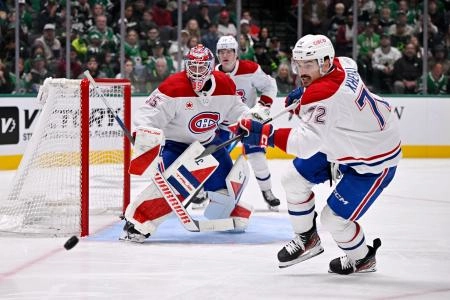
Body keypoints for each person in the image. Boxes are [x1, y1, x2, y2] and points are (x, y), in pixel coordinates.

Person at [236, 34, 402, 274]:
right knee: (292, 180)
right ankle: (307, 239)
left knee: (333, 220)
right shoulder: (342, 64)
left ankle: (362, 258)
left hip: (373, 159)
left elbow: (304, 144)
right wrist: (305, 93)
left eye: (309, 64)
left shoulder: (324, 93)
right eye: (299, 64)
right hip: (349, 140)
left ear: (325, 62)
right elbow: (344, 71)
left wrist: (265, 134)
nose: (302, 70)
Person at [120, 44, 261, 242]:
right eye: (192, 66)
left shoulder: (225, 84)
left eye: (200, 67)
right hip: (176, 146)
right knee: (172, 188)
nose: (195, 72)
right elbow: (147, 114)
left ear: (211, 67)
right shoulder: (173, 87)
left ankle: (226, 212)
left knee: (227, 189)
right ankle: (137, 223)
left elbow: (237, 111)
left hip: (209, 144)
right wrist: (144, 134)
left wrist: (250, 120)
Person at [213, 35, 281, 211]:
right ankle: (208, 192)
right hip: (222, 124)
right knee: (213, 157)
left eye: (229, 51)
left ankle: (267, 191)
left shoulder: (250, 69)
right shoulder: (212, 74)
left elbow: (270, 86)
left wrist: (262, 107)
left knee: (257, 157)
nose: (225, 55)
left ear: (236, 53)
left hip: (246, 122)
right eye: (221, 51)